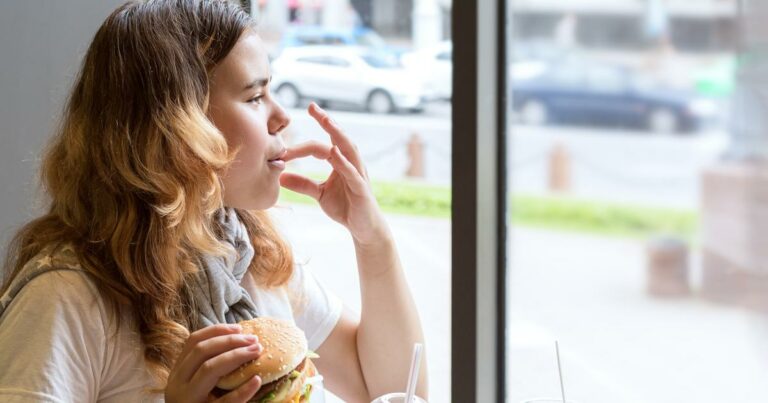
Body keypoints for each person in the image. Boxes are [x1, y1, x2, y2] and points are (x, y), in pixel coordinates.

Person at [0, 1, 428, 402]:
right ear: (178, 128)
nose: (282, 116)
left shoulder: (249, 255)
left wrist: (372, 240)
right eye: (255, 96)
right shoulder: (67, 297)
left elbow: (391, 389)